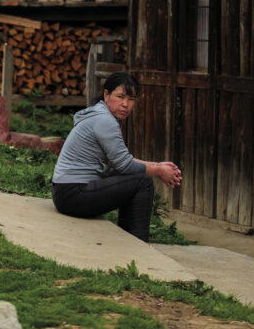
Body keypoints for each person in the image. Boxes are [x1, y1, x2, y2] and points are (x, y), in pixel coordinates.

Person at [51, 72, 181, 241]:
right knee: (142, 182)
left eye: (131, 99)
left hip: (65, 192)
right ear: (106, 95)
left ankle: (129, 238)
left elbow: (122, 160)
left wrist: (158, 165)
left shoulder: (100, 114)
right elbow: (125, 165)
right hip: (73, 194)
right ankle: (138, 244)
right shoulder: (105, 120)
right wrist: (158, 171)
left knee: (134, 177)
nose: (125, 104)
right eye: (120, 97)